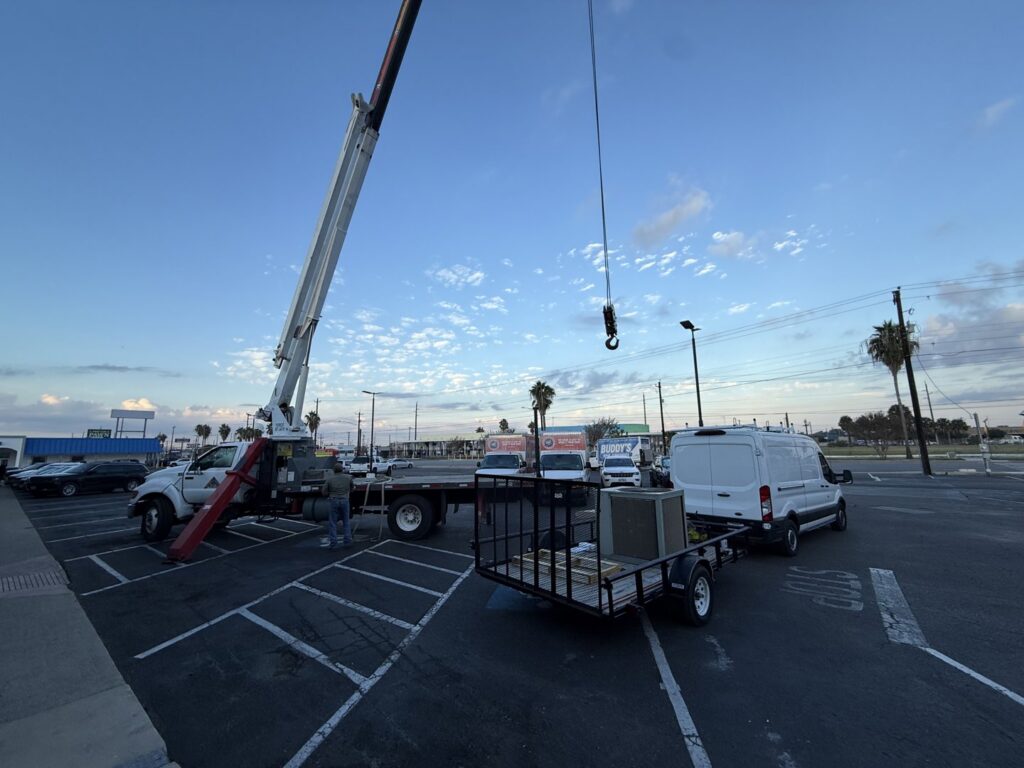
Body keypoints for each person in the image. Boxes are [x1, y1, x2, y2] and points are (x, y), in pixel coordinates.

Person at [320, 462, 353, 550]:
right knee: (346, 521)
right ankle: (347, 541)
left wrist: (329, 494)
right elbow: (352, 488)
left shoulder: (330, 479)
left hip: (333, 500)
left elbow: (323, 491)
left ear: (334, 470)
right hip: (345, 500)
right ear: (342, 469)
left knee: (333, 522)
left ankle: (333, 542)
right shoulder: (348, 478)